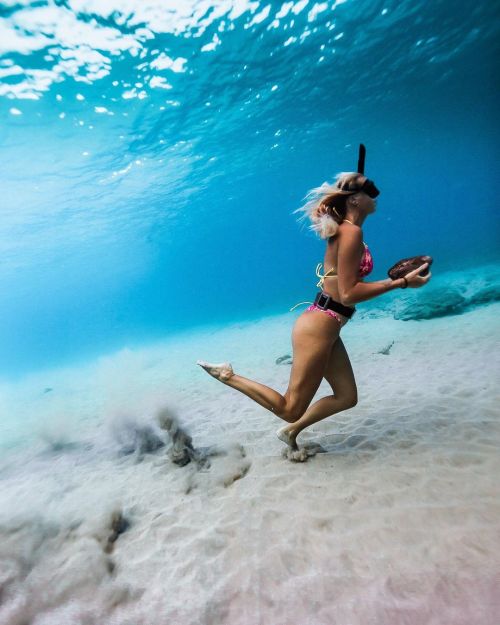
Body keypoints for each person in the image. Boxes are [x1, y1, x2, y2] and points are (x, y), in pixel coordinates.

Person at [197, 164, 431, 450]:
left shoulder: (349, 230)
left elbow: (344, 285)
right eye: (370, 190)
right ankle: (227, 375)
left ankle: (291, 432)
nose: (376, 194)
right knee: (289, 407)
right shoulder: (350, 233)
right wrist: (401, 284)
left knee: (346, 397)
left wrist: (398, 279)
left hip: (327, 325)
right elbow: (347, 294)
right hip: (319, 326)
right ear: (355, 199)